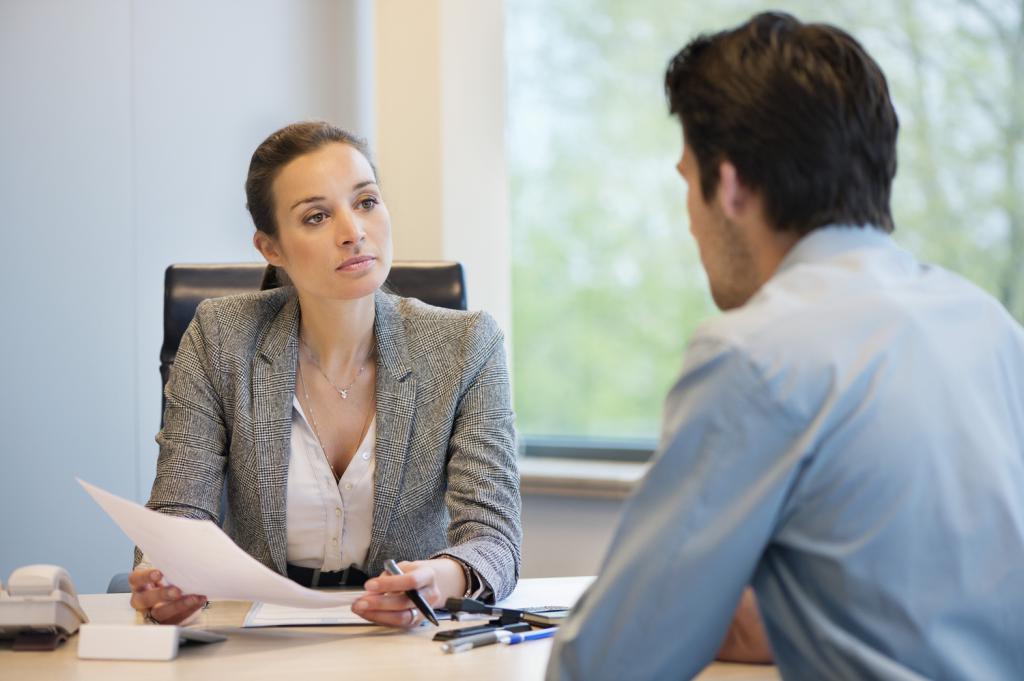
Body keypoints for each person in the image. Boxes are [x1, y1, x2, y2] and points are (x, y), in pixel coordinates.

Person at [547, 12, 1024, 680]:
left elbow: (606, 665)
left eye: (686, 181)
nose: (690, 221)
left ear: (730, 185)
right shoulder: (989, 327)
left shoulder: (754, 356)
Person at [128, 121, 521, 627]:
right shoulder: (221, 336)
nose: (353, 232)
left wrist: (438, 581)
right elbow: (178, 511)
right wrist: (164, 578)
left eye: (366, 202)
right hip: (260, 631)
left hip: (405, 634)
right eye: (316, 216)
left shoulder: (466, 344)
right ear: (271, 248)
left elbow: (493, 537)